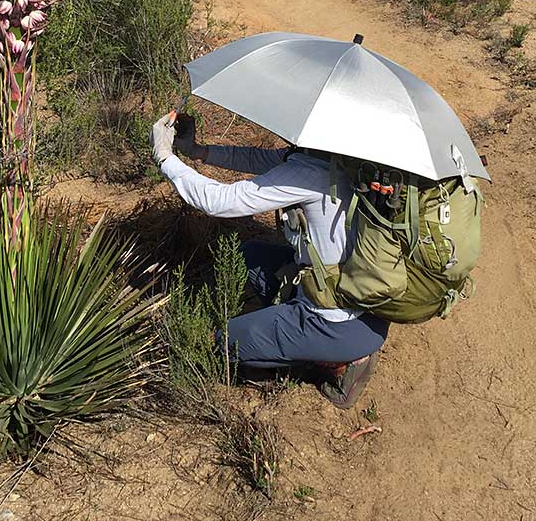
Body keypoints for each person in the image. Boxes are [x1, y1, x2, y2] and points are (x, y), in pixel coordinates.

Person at [150, 111, 388, 409]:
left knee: (224, 342)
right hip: (363, 298)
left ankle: (340, 360)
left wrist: (164, 157)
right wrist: (198, 151)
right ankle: (296, 335)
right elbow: (260, 160)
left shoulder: (311, 172)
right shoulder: (343, 160)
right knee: (247, 256)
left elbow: (219, 201)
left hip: (334, 323)